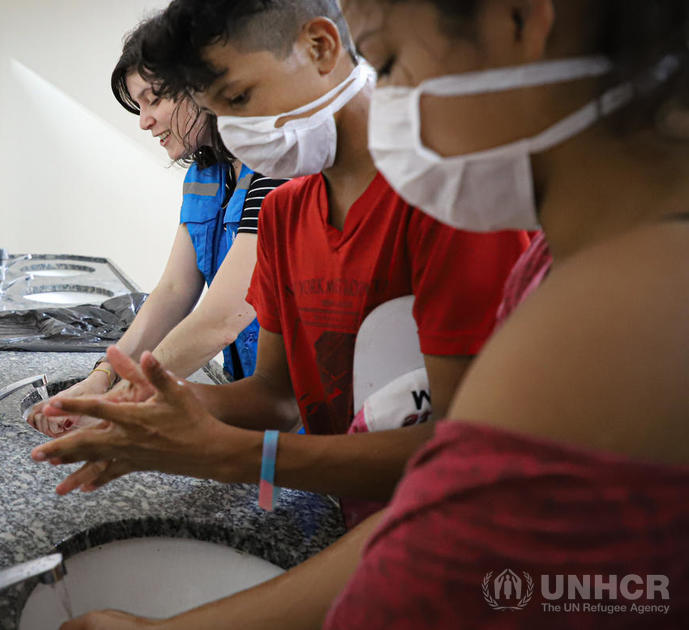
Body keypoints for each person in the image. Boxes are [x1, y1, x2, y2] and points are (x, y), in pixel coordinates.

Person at [56, 0, 689, 628]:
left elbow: (441, 543)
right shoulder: (554, 267)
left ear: (521, 21)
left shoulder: (628, 294)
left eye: (385, 62)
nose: (385, 102)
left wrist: (231, 455)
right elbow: (427, 512)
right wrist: (184, 423)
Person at [31, 0, 529, 508]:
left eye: (240, 97)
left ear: (321, 48)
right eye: (218, 110)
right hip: (346, 505)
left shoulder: (449, 200)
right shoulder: (283, 213)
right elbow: (274, 395)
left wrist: (237, 455)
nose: (232, 131)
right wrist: (156, 406)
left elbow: (468, 442)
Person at [27, 17, 286, 437]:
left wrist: (118, 401)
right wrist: (105, 375)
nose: (144, 120)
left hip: (306, 421)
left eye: (155, 99)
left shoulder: (280, 170)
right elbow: (173, 292)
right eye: (138, 104)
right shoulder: (205, 175)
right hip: (250, 405)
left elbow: (223, 317)